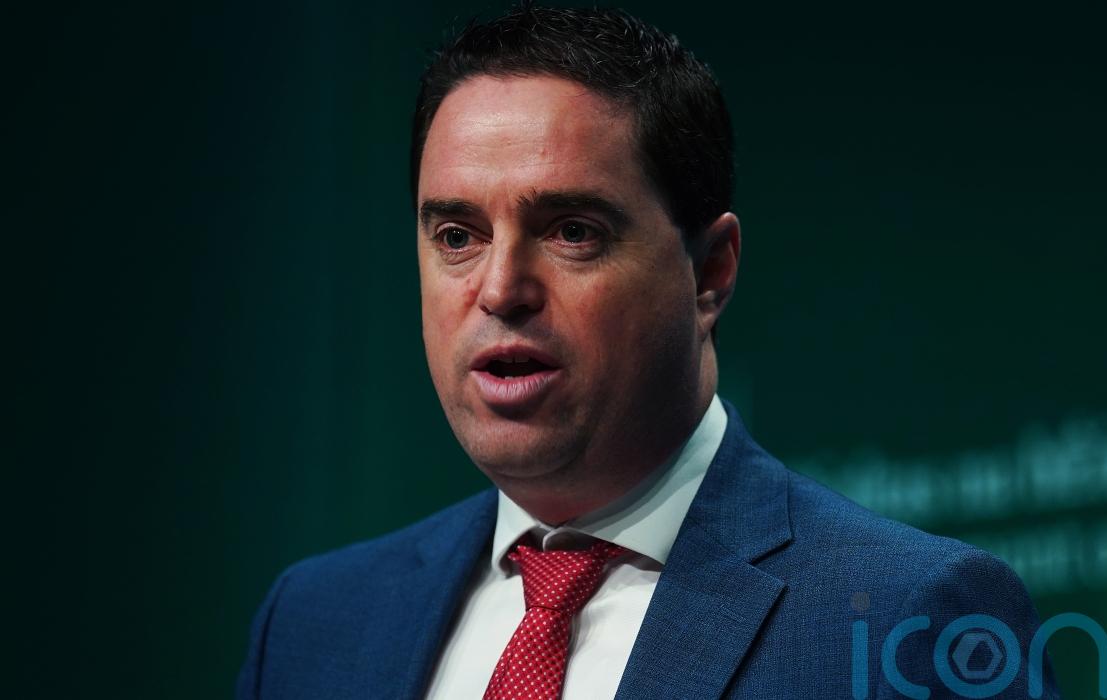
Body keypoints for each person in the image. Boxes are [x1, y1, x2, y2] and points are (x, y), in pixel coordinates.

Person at [237, 4, 1059, 699]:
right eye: (458, 236)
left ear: (710, 273)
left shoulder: (909, 618)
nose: (500, 289)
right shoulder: (313, 625)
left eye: (572, 231)